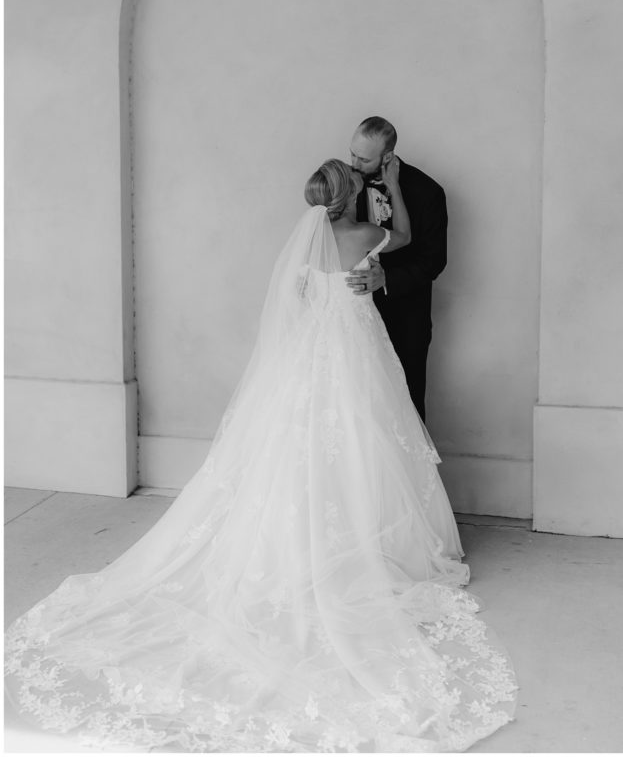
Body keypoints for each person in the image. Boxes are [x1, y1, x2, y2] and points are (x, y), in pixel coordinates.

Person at [5, 159, 516, 753]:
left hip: (308, 357)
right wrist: (396, 190)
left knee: (301, 442)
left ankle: (304, 536)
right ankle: (366, 539)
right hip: (355, 352)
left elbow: (296, 302)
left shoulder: (306, 242)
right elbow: (404, 237)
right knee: (363, 439)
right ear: (355, 197)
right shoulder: (367, 236)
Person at [347, 116, 447, 422]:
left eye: (363, 159)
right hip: (354, 316)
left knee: (407, 404)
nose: (353, 163)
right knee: (358, 405)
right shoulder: (345, 184)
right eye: (352, 153)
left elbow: (434, 261)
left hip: (407, 319)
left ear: (387, 156)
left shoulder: (427, 191)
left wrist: (387, 278)